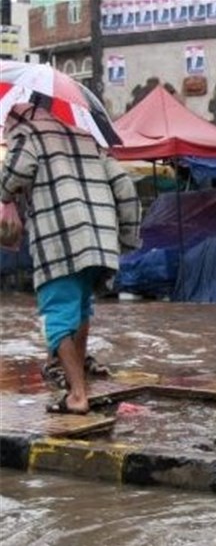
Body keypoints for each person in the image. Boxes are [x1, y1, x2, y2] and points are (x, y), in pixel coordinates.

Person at [0, 103, 141, 415]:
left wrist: (4, 196)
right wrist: (128, 238)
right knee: (80, 309)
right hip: (99, 238)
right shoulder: (85, 134)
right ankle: (76, 386)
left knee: (58, 315)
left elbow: (16, 172)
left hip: (59, 235)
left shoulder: (28, 128)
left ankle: (77, 395)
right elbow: (125, 187)